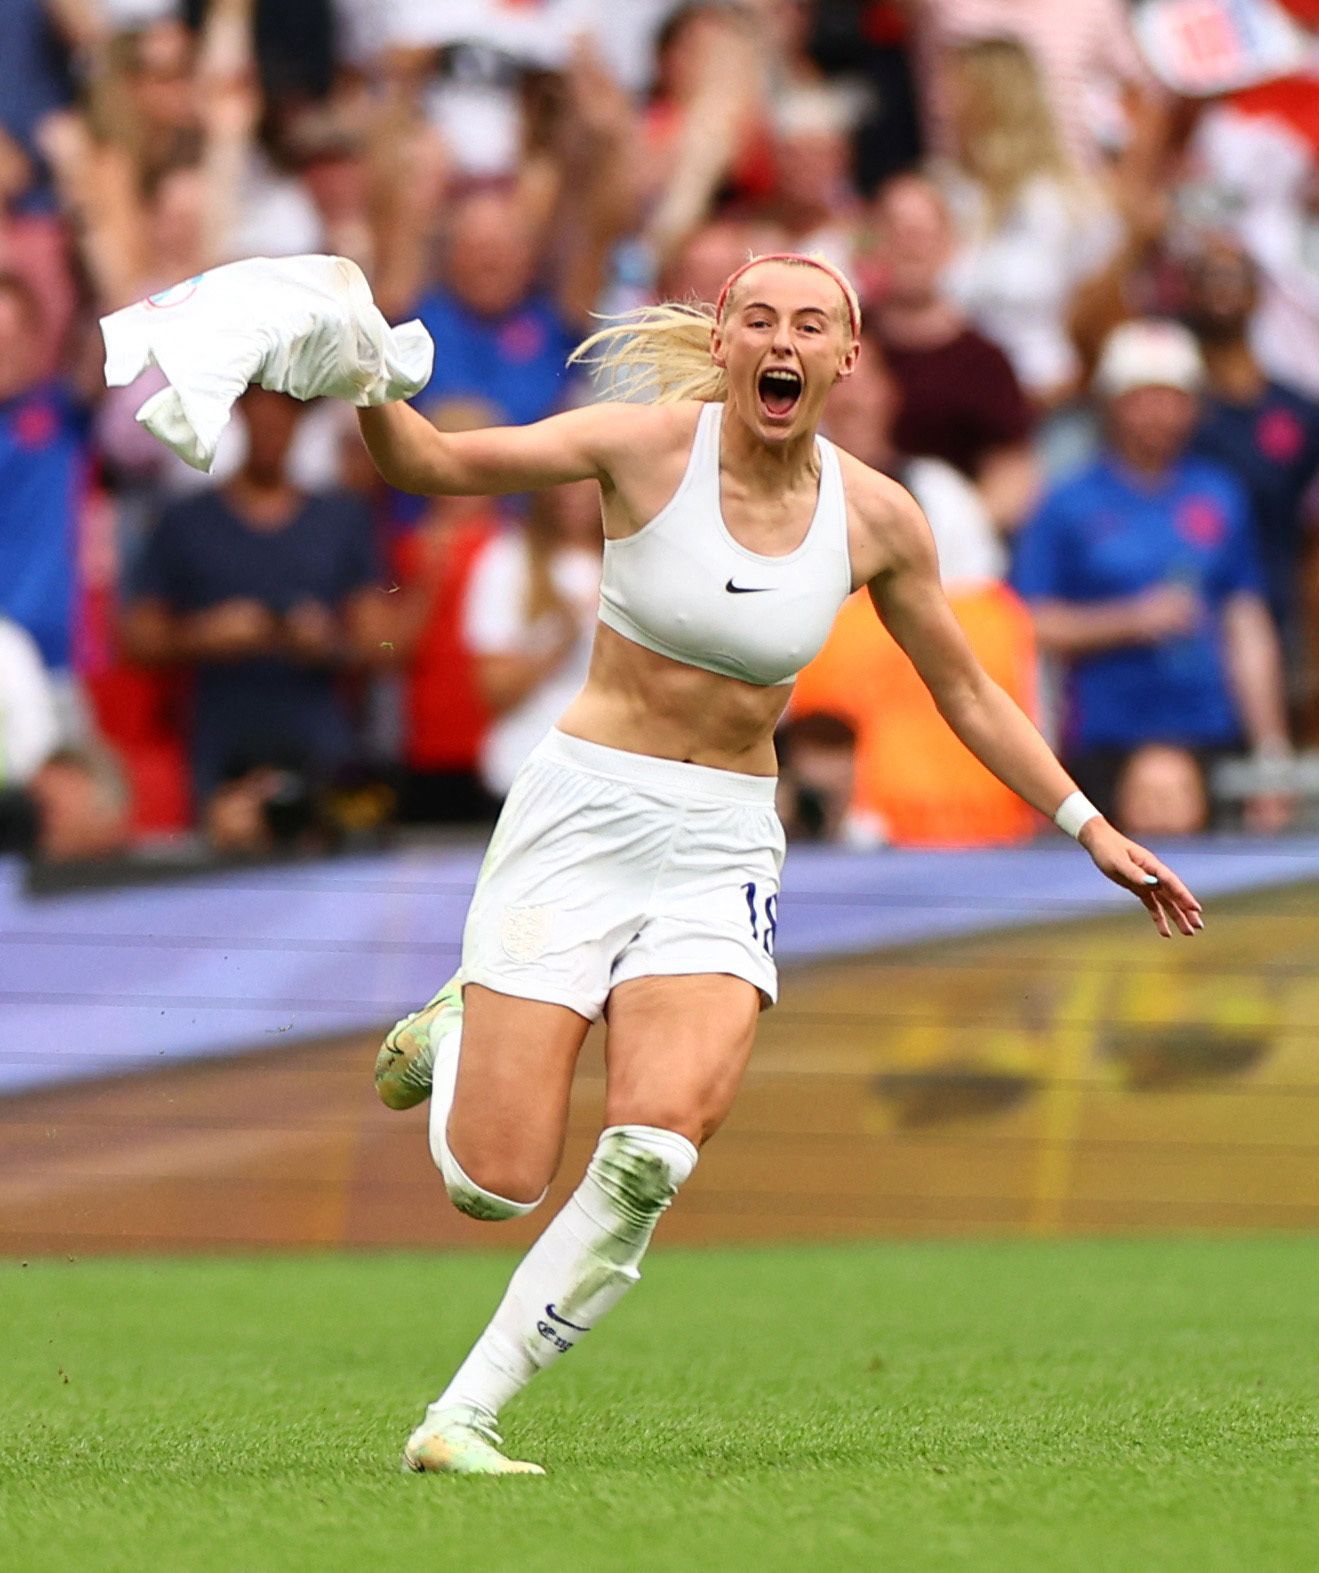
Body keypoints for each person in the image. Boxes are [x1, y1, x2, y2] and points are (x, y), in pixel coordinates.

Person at [343, 252, 1202, 1479]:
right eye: (757, 319)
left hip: (724, 837)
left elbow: (964, 687)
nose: (780, 341)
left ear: (845, 359)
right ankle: (460, 1027)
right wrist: (367, 374)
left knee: (651, 1158)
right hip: (587, 814)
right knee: (495, 1182)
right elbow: (427, 464)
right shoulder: (645, 446)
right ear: (727, 342)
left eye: (810, 324)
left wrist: (1089, 826)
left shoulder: (879, 517)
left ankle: (461, 1417)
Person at [1011, 318, 1292, 827]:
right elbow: (1027, 622)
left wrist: (1269, 753)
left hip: (1208, 730)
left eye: (1174, 397)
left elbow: (1246, 623)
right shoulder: (1067, 503)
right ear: (1111, 404)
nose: (1160, 413)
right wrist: (1130, 621)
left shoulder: (1220, 495)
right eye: (1143, 397)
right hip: (1102, 737)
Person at [121, 388, 389, 810]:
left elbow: (381, 641)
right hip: (219, 738)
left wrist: (326, 641)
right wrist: (206, 636)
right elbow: (136, 638)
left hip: (319, 738)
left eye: (283, 417)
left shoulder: (340, 519)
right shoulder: (187, 521)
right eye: (260, 417)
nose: (271, 430)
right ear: (239, 417)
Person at [868, 174, 1039, 533]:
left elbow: (1013, 478)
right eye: (897, 232)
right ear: (874, 242)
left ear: (950, 246)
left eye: (922, 235)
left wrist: (947, 532)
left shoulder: (985, 363)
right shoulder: (841, 338)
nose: (910, 248)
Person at [462, 479, 604, 802]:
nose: (577, 496)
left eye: (590, 483)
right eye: (567, 482)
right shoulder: (506, 560)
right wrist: (561, 636)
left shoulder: (635, 562)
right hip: (528, 771)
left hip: (612, 777)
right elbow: (494, 688)